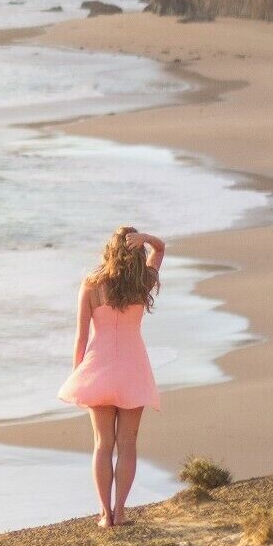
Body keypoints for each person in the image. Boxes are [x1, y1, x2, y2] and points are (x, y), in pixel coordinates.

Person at [59, 224, 164, 527]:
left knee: (102, 444)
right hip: (133, 369)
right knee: (127, 443)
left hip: (99, 370)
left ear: (110, 250)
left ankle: (105, 514)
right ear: (138, 252)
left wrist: (78, 375)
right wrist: (147, 239)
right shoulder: (143, 282)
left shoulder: (92, 285)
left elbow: (81, 337)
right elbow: (161, 249)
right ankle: (120, 511)